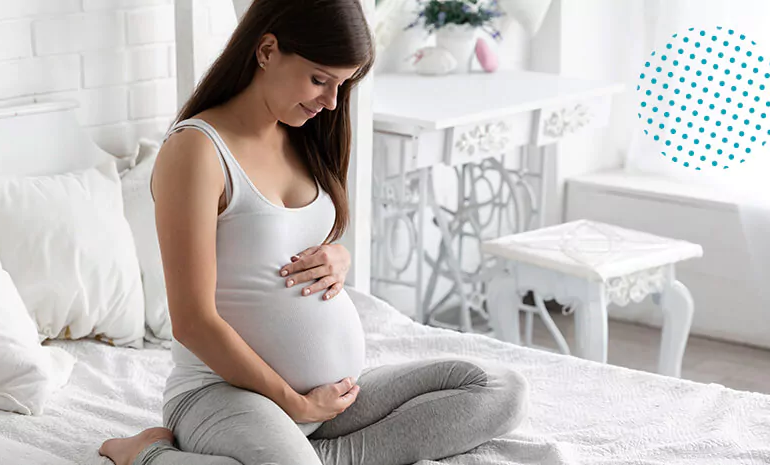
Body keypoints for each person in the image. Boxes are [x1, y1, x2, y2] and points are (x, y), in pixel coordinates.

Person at [98, 1, 529, 464]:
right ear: (267, 50)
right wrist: (292, 401)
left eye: (342, 84)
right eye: (320, 80)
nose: (331, 102)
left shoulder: (302, 136)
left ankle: (309, 457)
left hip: (330, 399)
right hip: (222, 393)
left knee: (501, 388)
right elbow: (191, 321)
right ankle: (147, 454)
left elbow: (277, 248)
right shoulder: (197, 152)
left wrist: (336, 256)